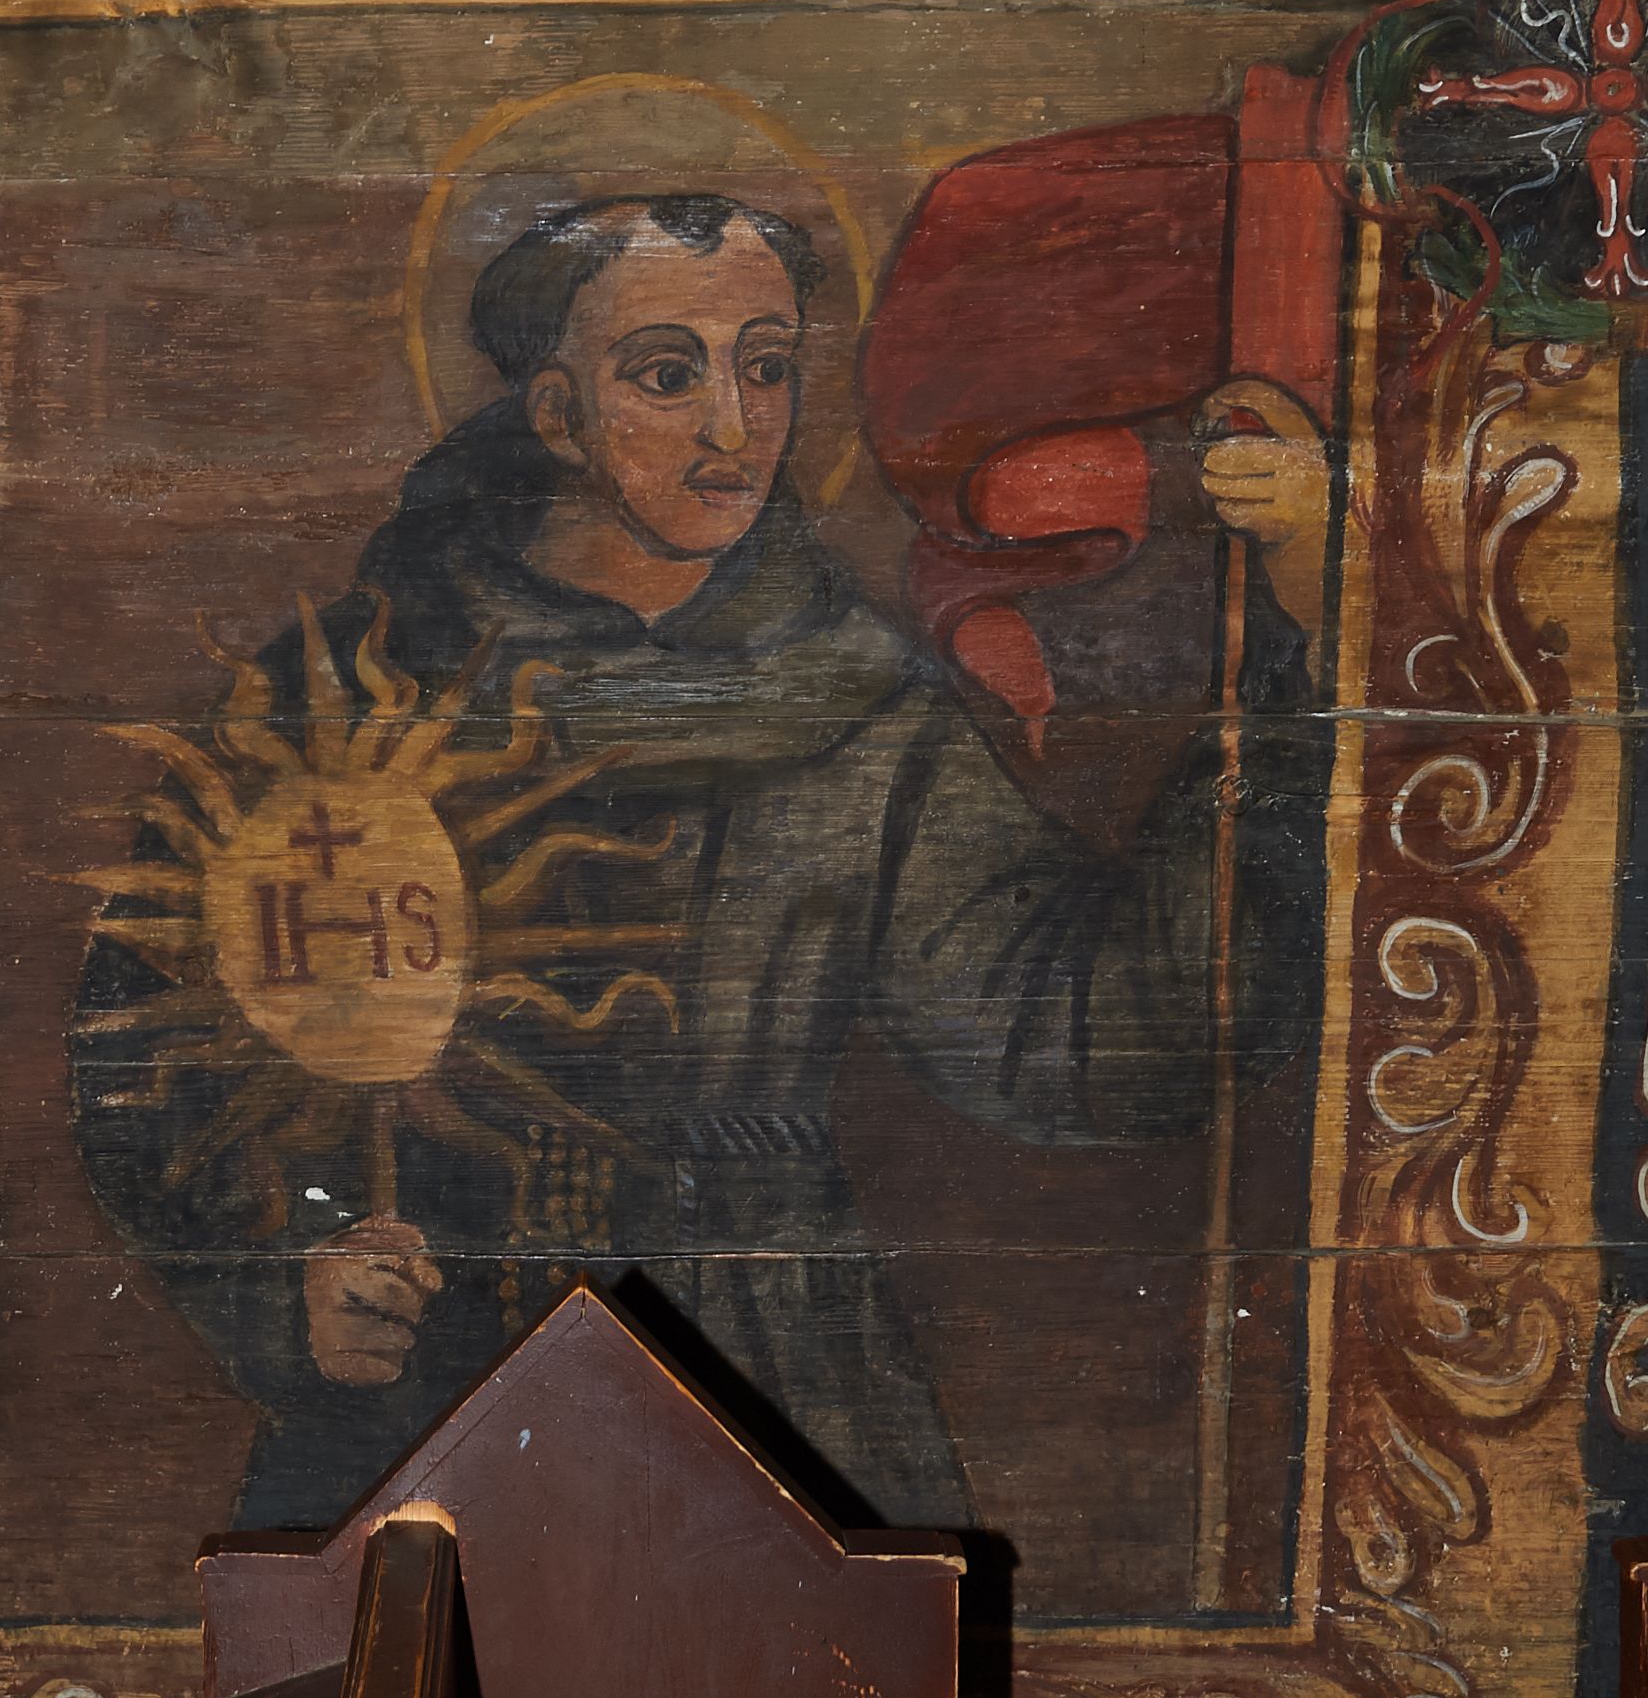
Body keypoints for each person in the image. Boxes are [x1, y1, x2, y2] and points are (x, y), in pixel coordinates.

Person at [73, 192, 1329, 1529]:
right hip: (430, 1367)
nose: (737, 429)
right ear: (555, 414)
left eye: (767, 368)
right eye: (668, 376)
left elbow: (1077, 1022)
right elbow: (151, 1058)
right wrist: (290, 1284)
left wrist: (1299, 638)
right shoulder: (361, 689)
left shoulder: (851, 699)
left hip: (765, 1360)